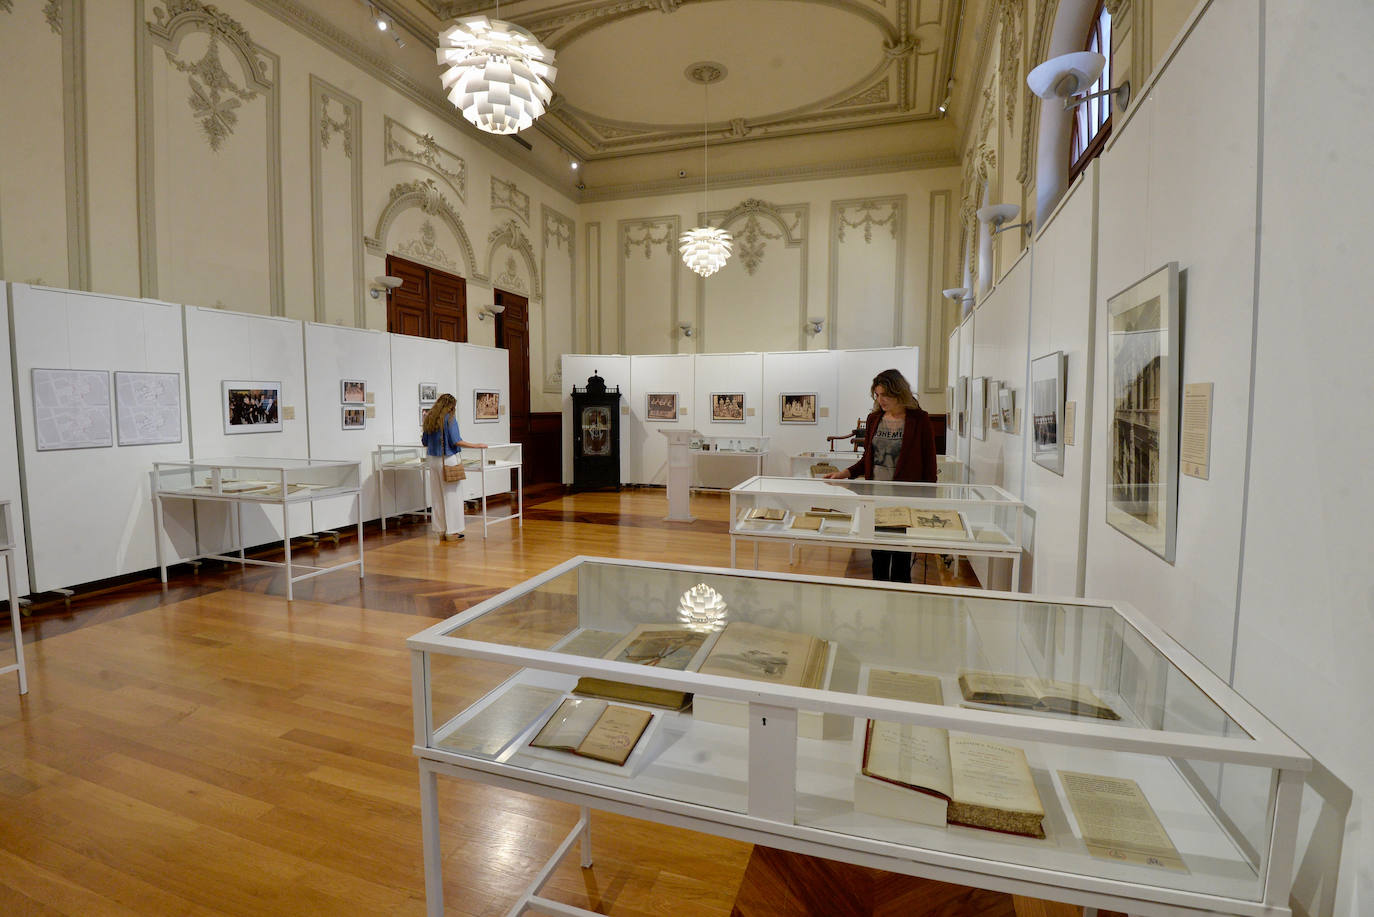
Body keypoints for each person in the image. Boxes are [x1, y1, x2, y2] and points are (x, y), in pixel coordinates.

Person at [825, 369, 937, 583]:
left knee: (902, 557)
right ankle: (879, 599)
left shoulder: (919, 419)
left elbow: (929, 464)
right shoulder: (875, 418)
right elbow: (867, 458)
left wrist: (927, 500)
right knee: (878, 555)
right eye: (877, 395)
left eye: (885, 394)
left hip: (904, 498)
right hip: (875, 497)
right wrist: (845, 473)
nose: (881, 399)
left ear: (899, 393)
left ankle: (899, 601)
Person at [420, 394, 485, 541]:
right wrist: (477, 445)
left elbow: (425, 442)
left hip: (433, 461)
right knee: (452, 497)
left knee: (437, 497)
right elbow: (457, 441)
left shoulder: (429, 418)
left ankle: (440, 530)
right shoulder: (449, 418)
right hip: (447, 460)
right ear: (451, 405)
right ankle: (452, 532)